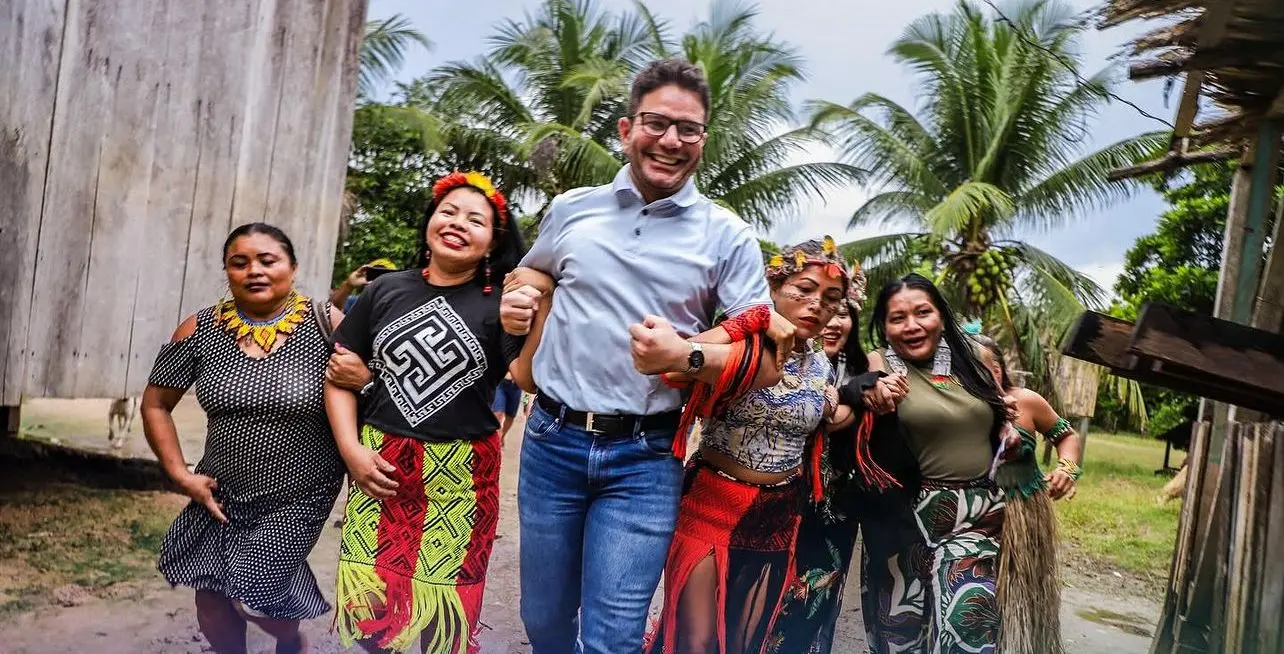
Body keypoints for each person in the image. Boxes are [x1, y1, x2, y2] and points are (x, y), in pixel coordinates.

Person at [499, 58, 794, 654]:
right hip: (552, 442)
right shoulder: (573, 208)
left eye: (688, 129)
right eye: (656, 123)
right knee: (544, 618)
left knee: (613, 637)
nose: (671, 140)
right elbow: (536, 270)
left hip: (647, 455)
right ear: (626, 128)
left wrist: (687, 356)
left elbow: (767, 361)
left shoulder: (726, 235)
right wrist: (522, 292)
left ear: (703, 140)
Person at [325, 171, 540, 654]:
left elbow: (527, 379)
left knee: (443, 625)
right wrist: (351, 452)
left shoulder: (502, 305)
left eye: (475, 220)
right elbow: (338, 376)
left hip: (461, 480)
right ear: (429, 222)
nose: (458, 223)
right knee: (371, 617)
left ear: (492, 242)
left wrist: (536, 312)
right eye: (448, 212)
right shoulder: (385, 290)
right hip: (380, 469)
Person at [140, 223, 372, 654]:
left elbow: (370, 394)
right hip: (220, 491)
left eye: (268, 260)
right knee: (212, 599)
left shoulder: (328, 324)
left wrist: (365, 383)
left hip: (301, 493)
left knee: (254, 594)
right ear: (227, 271)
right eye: (239, 263)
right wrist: (181, 474)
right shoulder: (199, 329)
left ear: (293, 268)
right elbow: (156, 404)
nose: (254, 271)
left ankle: (292, 641)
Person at [645, 239, 863, 654]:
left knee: (746, 642)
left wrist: (849, 400)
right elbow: (674, 365)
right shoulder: (741, 344)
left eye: (831, 298)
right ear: (773, 287)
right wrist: (750, 320)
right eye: (804, 290)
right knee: (697, 641)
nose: (817, 305)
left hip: (776, 515)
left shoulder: (821, 364)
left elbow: (827, 414)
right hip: (712, 505)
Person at [859, 273, 1017, 654]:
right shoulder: (880, 363)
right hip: (904, 519)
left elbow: (1001, 410)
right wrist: (871, 389)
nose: (912, 325)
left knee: (968, 625)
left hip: (974, 514)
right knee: (899, 636)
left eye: (923, 313)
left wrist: (1007, 429)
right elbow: (860, 388)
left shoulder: (974, 359)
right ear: (884, 326)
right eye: (898, 318)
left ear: (941, 317)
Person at [769, 267, 891, 654]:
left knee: (813, 603)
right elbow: (821, 415)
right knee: (764, 596)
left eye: (842, 313)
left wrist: (862, 385)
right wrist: (852, 393)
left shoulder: (863, 371)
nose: (834, 322)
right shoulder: (780, 356)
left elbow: (844, 417)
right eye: (829, 313)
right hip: (778, 493)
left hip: (833, 508)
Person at [971, 333, 1082, 654]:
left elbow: (1067, 436)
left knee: (1020, 598)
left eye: (990, 368)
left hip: (1023, 514)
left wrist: (1066, 469)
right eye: (971, 368)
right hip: (973, 516)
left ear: (1000, 369)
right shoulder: (955, 408)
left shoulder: (1026, 401)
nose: (984, 375)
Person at [331, 258, 397, 312]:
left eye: (385, 276)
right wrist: (348, 285)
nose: (378, 280)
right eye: (374, 275)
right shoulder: (356, 302)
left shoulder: (396, 305)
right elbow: (334, 310)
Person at [491, 372, 522, 446]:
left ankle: (502, 435)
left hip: (516, 386)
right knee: (498, 413)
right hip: (501, 383)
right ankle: (497, 441)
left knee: (510, 417)